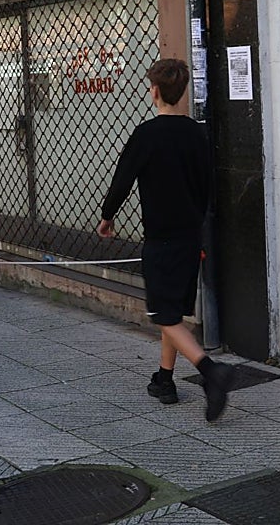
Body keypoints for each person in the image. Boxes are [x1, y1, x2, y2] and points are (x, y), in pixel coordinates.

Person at [96, 58, 234, 421]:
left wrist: (107, 217)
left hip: (161, 239)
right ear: (183, 91)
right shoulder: (197, 133)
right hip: (191, 239)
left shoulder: (146, 135)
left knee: (163, 314)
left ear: (154, 91)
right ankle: (165, 380)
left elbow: (122, 180)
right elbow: (208, 188)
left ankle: (210, 372)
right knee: (171, 313)